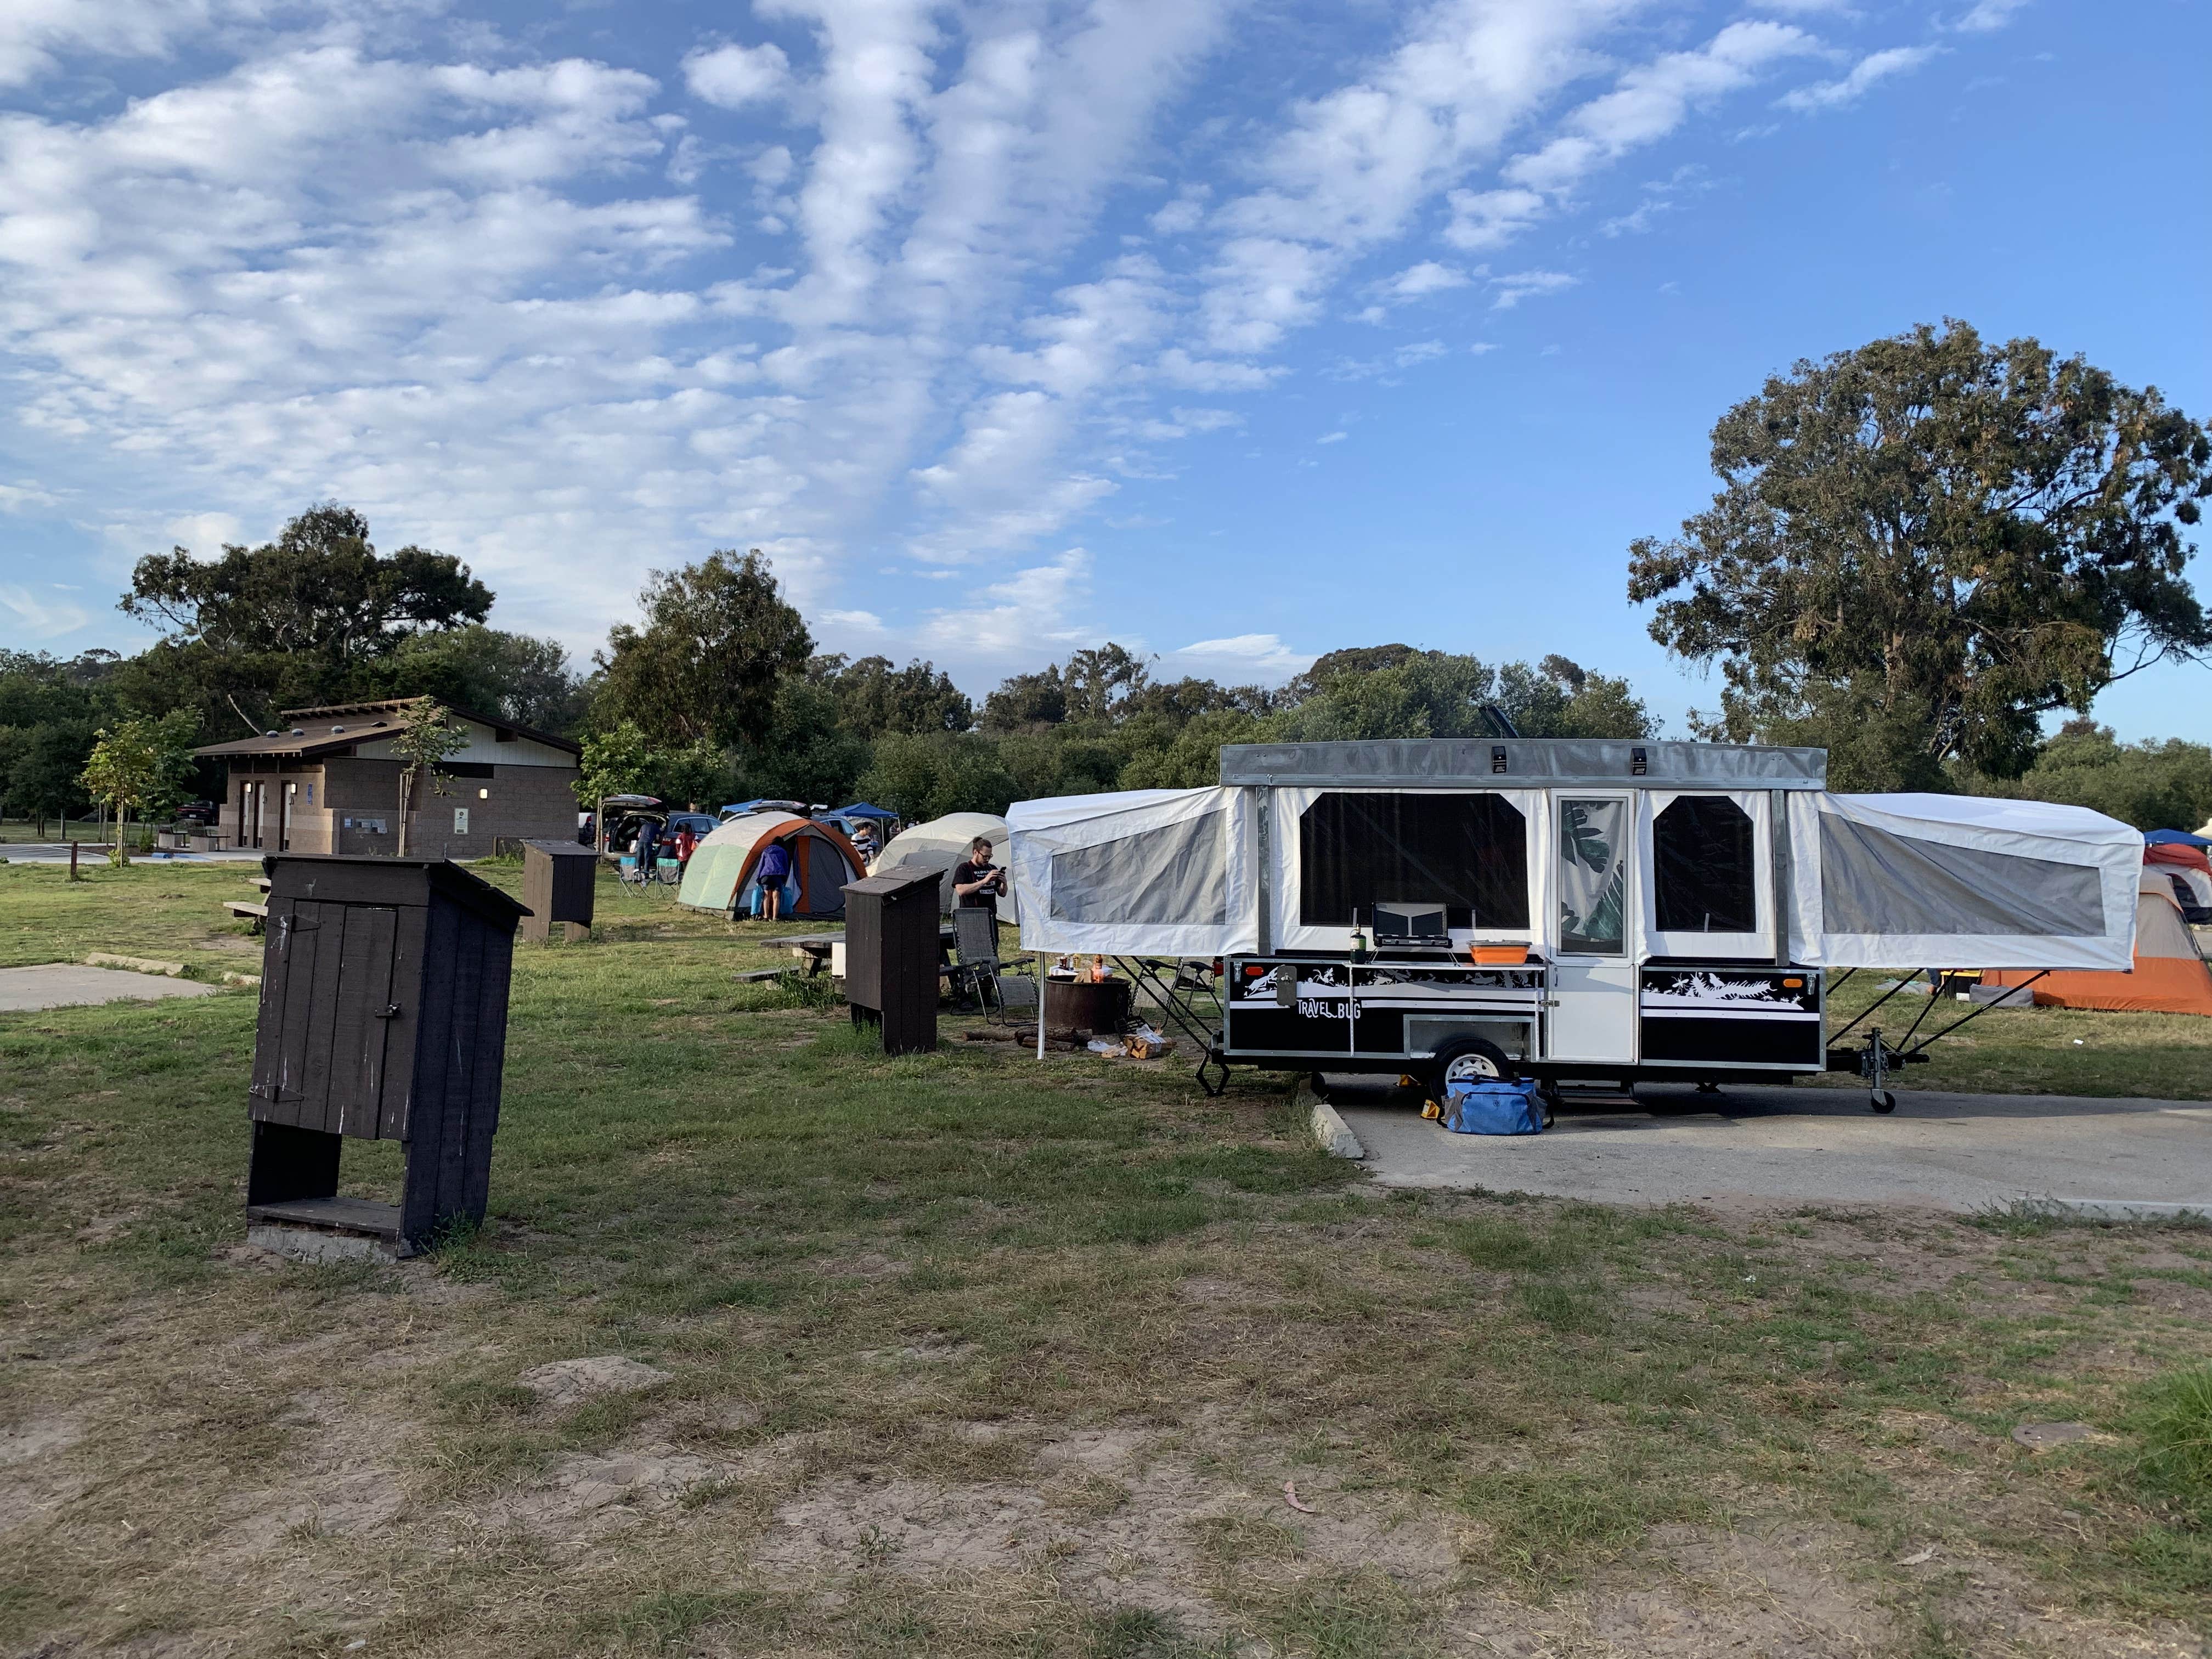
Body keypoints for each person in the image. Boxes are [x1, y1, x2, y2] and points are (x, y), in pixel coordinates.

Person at [951, 836, 1007, 922]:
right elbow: (961, 891)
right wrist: (984, 881)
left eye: (990, 856)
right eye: (985, 856)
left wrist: (1004, 883)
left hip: (990, 916)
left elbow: (1002, 893)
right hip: (971, 917)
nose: (987, 859)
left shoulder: (992, 868)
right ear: (975, 852)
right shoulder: (964, 868)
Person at [754, 836, 792, 919]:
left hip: (766, 876)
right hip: (778, 876)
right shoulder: (783, 852)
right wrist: (785, 878)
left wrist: (758, 878)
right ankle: (775, 918)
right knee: (776, 898)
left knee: (766, 896)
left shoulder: (766, 851)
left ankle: (766, 916)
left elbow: (761, 865)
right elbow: (786, 865)